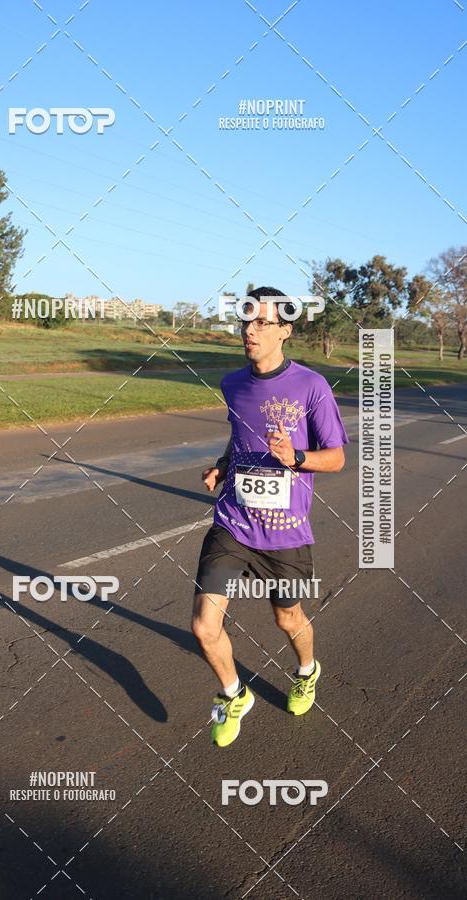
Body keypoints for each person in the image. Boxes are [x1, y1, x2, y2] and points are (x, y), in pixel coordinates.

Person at [191, 286, 349, 747]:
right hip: (233, 524)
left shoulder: (311, 386)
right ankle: (233, 693)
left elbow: (336, 458)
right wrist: (223, 466)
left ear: (286, 330)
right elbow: (239, 437)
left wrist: (296, 456)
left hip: (286, 534)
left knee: (288, 619)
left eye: (263, 323)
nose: (250, 330)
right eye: (246, 321)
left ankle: (306, 671)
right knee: (204, 626)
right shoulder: (233, 384)